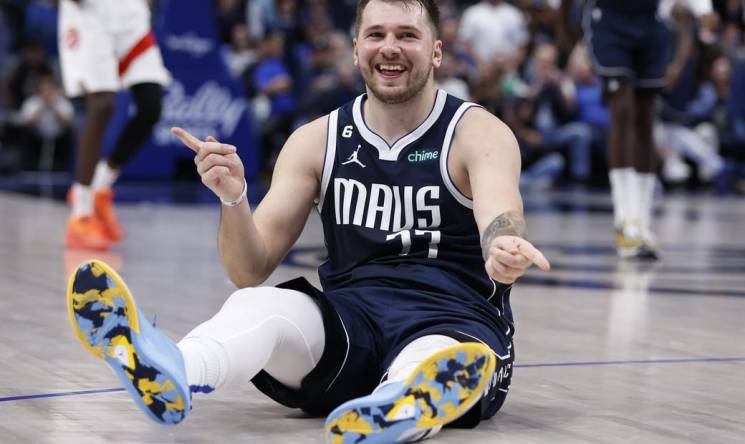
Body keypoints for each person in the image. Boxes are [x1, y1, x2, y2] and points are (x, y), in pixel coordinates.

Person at [65, 0, 550, 442]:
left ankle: (403, 406)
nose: (390, 48)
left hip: (453, 322)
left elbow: (500, 213)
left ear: (437, 52)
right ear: (356, 47)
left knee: (430, 357)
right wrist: (233, 200)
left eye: (407, 35)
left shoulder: (478, 131)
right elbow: (249, 268)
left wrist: (503, 245)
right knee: (257, 302)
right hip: (352, 328)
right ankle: (173, 369)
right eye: (377, 34)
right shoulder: (316, 140)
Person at [563, 0, 716, 259]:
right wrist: (572, 40)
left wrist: (703, 9)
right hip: (609, 18)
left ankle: (641, 222)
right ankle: (625, 220)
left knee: (646, 117)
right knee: (621, 110)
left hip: (651, 20)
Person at [58, 0, 170, 250]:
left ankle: (100, 186)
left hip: (129, 12)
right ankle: (81, 212)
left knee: (151, 105)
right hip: (90, 14)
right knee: (102, 105)